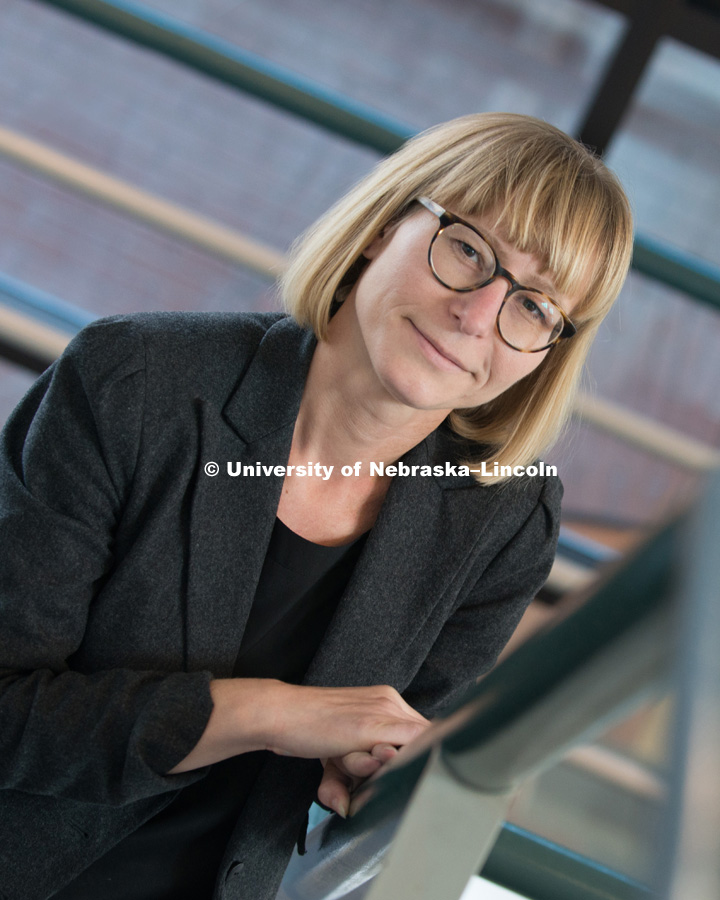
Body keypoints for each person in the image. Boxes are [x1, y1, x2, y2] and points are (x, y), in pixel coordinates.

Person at [0, 112, 633, 900]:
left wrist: (404, 782)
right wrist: (268, 713)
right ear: (383, 226)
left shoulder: (503, 522)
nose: (476, 317)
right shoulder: (134, 384)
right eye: (468, 249)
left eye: (535, 307)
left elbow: (380, 773)